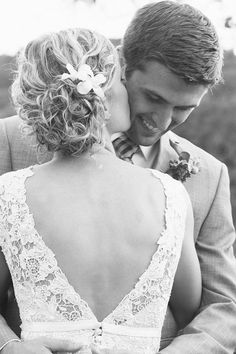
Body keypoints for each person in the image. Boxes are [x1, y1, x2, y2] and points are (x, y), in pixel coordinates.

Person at [0, 1, 235, 353]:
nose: (162, 121)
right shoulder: (9, 141)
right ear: (121, 65)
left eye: (184, 108)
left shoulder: (209, 176)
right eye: (153, 97)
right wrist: (9, 346)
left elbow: (222, 305)